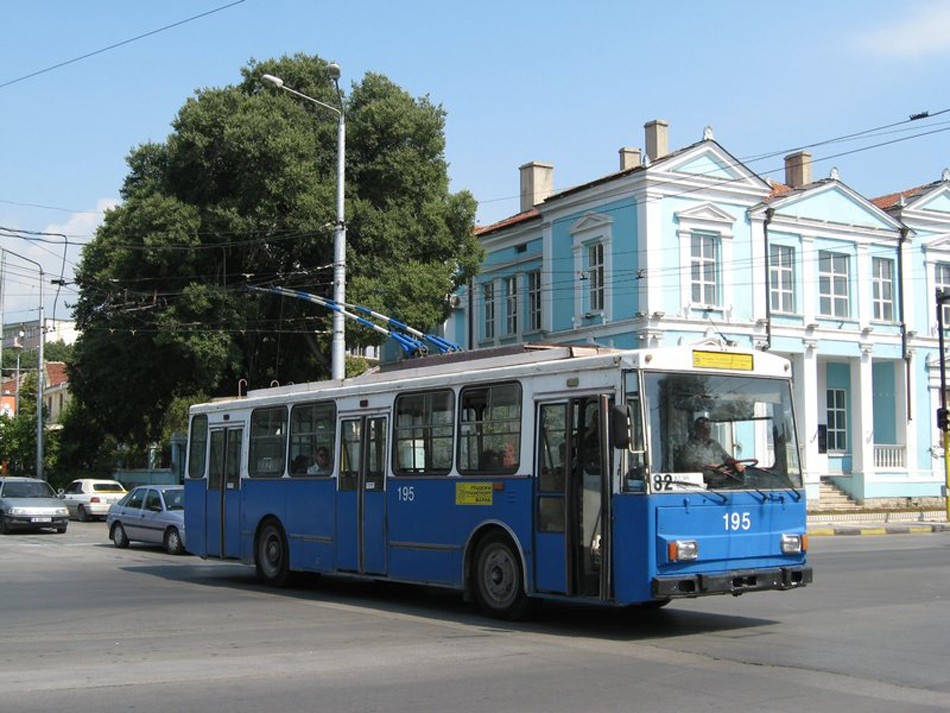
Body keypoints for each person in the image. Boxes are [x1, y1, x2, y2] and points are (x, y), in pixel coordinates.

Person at [675, 417, 745, 474]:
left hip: (722, 481)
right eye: (704, 430)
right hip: (702, 484)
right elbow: (690, 466)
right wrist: (711, 467)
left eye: (708, 430)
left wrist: (736, 463)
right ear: (696, 430)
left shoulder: (714, 444)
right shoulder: (688, 448)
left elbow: (726, 457)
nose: (707, 432)